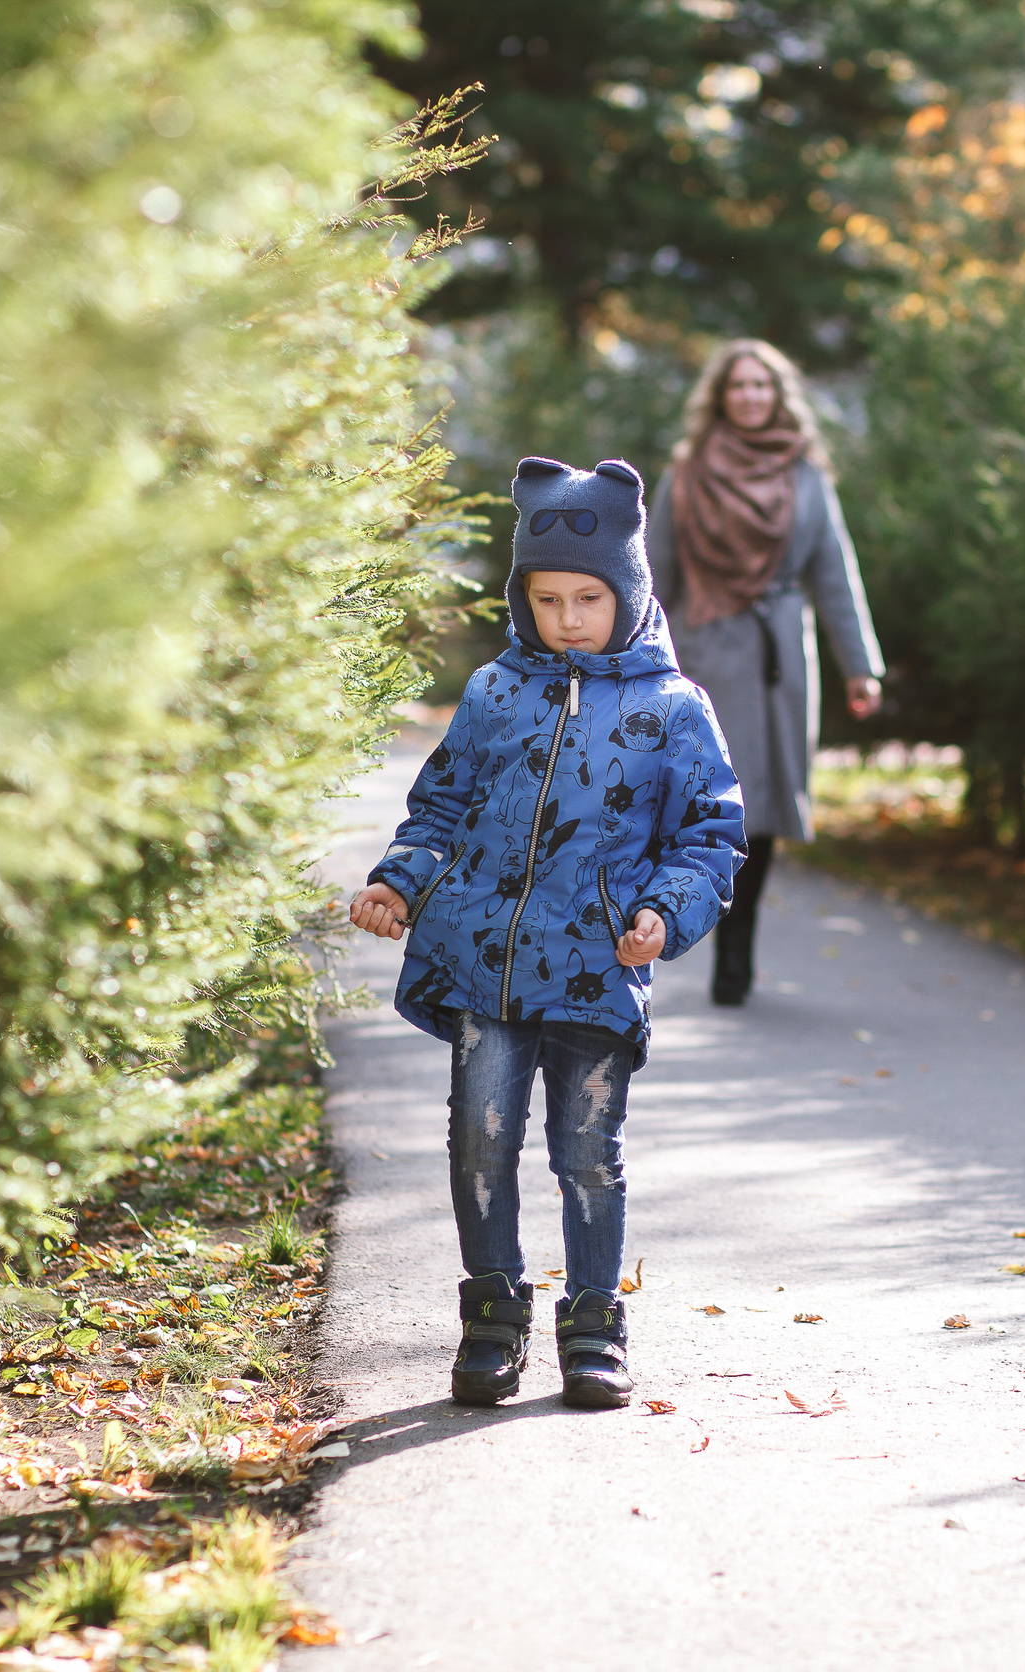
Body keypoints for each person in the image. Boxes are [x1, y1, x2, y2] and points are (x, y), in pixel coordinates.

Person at [350, 456, 744, 1409]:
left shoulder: (672, 709)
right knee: (481, 1139)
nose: (568, 617)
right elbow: (438, 806)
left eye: (588, 598)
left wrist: (665, 910)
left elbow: (711, 834)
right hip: (485, 962)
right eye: (547, 597)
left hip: (600, 973)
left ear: (629, 593)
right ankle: (493, 1313)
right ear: (522, 598)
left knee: (587, 1154)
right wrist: (398, 882)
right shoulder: (494, 692)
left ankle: (595, 1321)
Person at [649, 338, 885, 1006]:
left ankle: (737, 945)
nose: (750, 396)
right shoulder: (687, 472)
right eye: (739, 385)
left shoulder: (807, 475)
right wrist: (637, 659)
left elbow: (835, 572)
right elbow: (655, 570)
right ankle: (686, 924)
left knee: (763, 810)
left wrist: (860, 666)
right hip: (705, 652)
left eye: (762, 385)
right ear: (720, 397)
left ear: (779, 395)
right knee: (706, 804)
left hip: (781, 654)